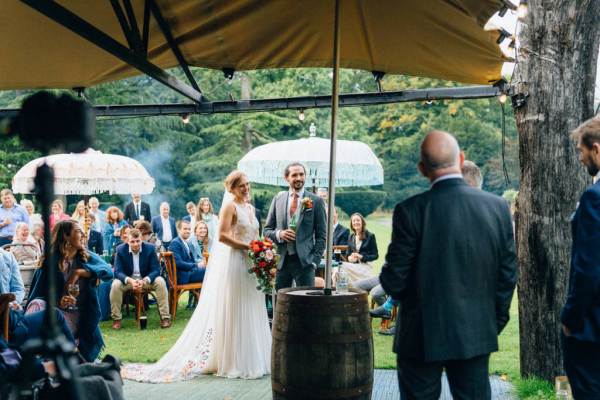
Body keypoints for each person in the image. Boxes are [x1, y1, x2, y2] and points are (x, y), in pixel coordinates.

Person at [379, 130, 517, 400]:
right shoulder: (497, 208)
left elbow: (393, 281)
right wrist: (493, 321)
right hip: (475, 331)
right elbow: (507, 275)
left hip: (419, 335)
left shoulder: (409, 210)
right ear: (461, 158)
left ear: (421, 169)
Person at [122, 170, 271, 381]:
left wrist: (261, 249)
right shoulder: (230, 207)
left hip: (251, 263)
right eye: (241, 186)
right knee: (237, 306)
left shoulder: (250, 207)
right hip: (236, 262)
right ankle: (235, 360)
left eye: (247, 184)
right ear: (232, 189)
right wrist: (248, 247)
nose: (246, 189)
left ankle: (256, 357)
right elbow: (222, 236)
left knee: (253, 304)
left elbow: (255, 234)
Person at [26, 220, 113, 362]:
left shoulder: (86, 257)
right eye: (78, 231)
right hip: (55, 313)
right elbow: (38, 294)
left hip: (78, 316)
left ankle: (52, 357)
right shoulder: (50, 261)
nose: (83, 234)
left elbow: (108, 272)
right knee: (38, 304)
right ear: (66, 236)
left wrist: (78, 273)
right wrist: (59, 301)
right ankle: (38, 356)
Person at [560, 116, 600, 398]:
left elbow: (588, 269)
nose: (579, 158)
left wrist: (570, 318)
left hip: (592, 330)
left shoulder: (594, 199)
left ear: (596, 149)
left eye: (580, 150)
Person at [263, 162, 327, 291]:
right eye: (294, 175)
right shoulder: (278, 199)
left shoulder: (317, 201)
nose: (299, 178)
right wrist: (279, 234)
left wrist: (314, 261)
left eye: (301, 174)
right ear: (287, 178)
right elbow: (266, 230)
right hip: (282, 261)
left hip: (305, 263)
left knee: (306, 304)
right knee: (281, 302)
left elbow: (322, 236)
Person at [110, 229, 170, 330]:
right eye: (132, 241)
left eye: (138, 241)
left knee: (160, 281)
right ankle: (117, 319)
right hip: (129, 280)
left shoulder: (150, 248)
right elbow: (117, 272)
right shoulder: (120, 249)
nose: (135, 244)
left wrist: (146, 280)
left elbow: (156, 270)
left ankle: (165, 317)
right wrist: (130, 280)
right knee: (115, 285)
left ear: (141, 239)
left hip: (145, 280)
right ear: (127, 241)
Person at [340, 213, 378, 283]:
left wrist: (361, 257)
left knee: (341, 267)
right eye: (354, 221)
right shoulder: (351, 236)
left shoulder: (370, 236)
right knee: (338, 268)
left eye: (358, 220)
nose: (356, 222)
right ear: (351, 223)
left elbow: (375, 255)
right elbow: (348, 254)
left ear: (362, 222)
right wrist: (349, 258)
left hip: (365, 267)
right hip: (354, 265)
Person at [169, 220, 206, 285]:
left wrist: (200, 264)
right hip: (183, 276)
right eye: (185, 229)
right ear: (179, 230)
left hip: (190, 272)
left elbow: (190, 260)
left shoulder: (186, 243)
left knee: (208, 269)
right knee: (209, 272)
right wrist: (197, 265)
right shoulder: (175, 243)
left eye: (189, 229)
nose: (188, 231)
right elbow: (178, 263)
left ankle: (201, 295)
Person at [187, 220, 212, 309]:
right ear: (196, 230)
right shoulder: (191, 241)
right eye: (200, 228)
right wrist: (202, 262)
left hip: (207, 265)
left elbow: (212, 255)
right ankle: (194, 302)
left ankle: (208, 301)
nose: (203, 230)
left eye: (205, 228)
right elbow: (192, 258)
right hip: (194, 266)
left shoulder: (210, 241)